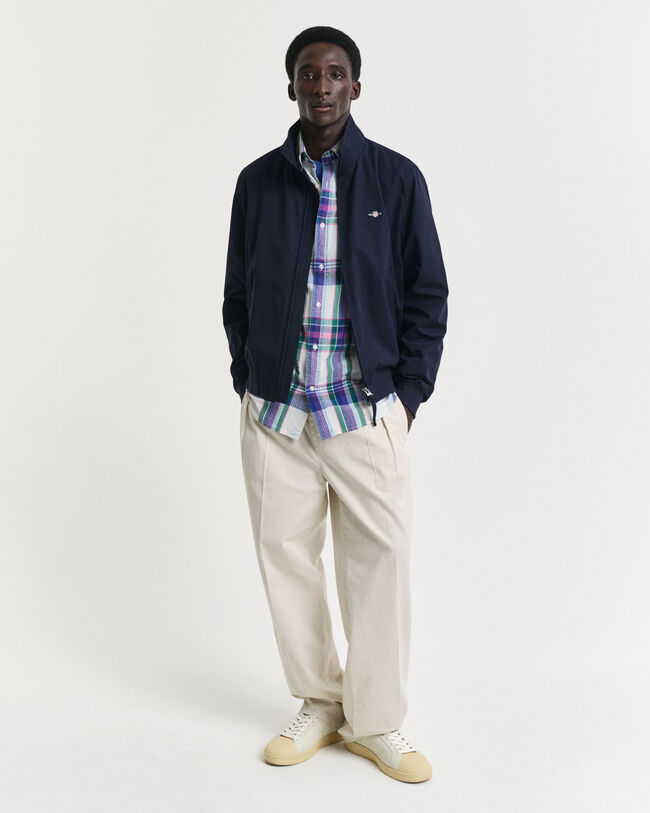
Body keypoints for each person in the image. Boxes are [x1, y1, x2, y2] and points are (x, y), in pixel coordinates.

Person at [222, 25, 449, 784]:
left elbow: (428, 294)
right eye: (308, 74)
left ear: (356, 85)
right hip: (278, 413)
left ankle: (376, 721)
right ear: (291, 86)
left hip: (363, 407)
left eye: (335, 73)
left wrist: (407, 397)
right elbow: (238, 291)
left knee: (380, 561)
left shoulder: (396, 180)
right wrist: (249, 374)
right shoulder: (258, 182)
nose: (321, 86)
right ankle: (320, 701)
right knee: (287, 561)